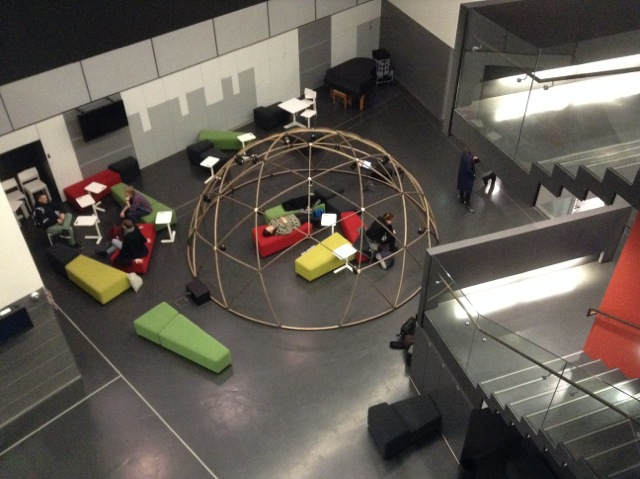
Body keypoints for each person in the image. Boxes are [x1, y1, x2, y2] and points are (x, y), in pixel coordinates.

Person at [457, 147, 480, 213]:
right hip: (468, 177)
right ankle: (467, 205)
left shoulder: (464, 153)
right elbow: (469, 170)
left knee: (462, 185)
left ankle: (461, 198)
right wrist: (473, 175)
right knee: (468, 190)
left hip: (462, 174)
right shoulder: (469, 159)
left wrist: (472, 158)